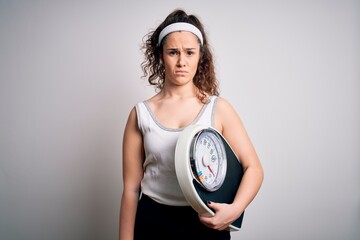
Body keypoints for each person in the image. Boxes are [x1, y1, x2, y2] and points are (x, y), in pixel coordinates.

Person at [119, 9, 264, 240]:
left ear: (200, 56)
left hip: (206, 222)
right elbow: (131, 190)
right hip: (153, 222)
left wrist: (234, 210)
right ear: (160, 56)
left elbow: (254, 169)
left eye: (189, 52)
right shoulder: (141, 114)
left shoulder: (218, 109)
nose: (181, 62)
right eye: (173, 52)